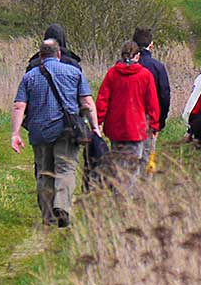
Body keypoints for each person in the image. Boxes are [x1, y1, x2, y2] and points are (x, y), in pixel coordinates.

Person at [11, 39, 100, 228]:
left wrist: (15, 133)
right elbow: (87, 103)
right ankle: (62, 207)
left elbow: (19, 106)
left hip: (40, 131)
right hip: (67, 131)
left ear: (41, 56)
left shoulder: (30, 77)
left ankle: (48, 214)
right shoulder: (74, 73)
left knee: (44, 171)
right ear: (59, 54)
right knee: (65, 169)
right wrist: (95, 128)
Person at [23, 24, 106, 188]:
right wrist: (92, 124)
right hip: (69, 125)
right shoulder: (74, 65)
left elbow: (25, 99)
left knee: (43, 166)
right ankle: (61, 203)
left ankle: (47, 202)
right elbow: (84, 100)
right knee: (65, 166)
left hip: (40, 124)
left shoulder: (33, 65)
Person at [96, 40, 161, 187]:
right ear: (137, 56)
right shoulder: (145, 75)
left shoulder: (112, 73)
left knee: (117, 165)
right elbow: (152, 104)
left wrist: (98, 121)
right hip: (137, 129)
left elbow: (102, 100)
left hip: (116, 129)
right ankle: (127, 199)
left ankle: (118, 195)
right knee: (132, 168)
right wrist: (154, 126)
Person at [131, 28, 171, 173]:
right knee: (146, 158)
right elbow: (165, 95)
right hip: (149, 121)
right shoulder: (158, 67)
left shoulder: (121, 65)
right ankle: (144, 191)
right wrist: (160, 121)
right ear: (151, 45)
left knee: (128, 160)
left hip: (127, 118)